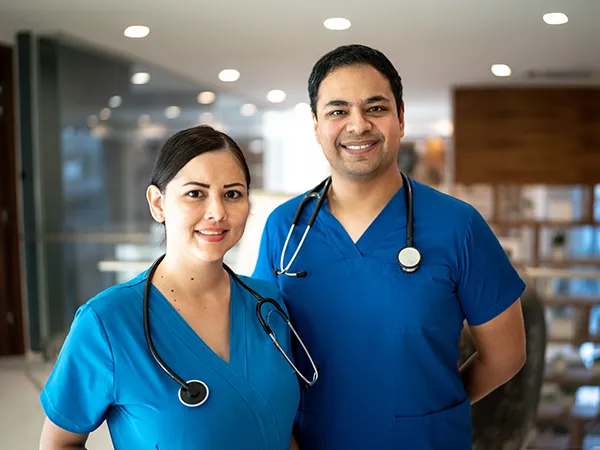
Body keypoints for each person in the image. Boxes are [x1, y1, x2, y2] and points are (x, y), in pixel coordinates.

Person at [253, 44, 527, 449]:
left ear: (400, 118)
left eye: (375, 108)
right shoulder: (285, 228)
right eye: (338, 110)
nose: (357, 125)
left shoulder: (459, 226)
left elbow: (506, 355)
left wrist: (437, 408)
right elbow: (264, 352)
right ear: (316, 126)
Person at [39, 125, 309, 450]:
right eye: (195, 193)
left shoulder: (266, 303)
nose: (217, 212)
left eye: (232, 194)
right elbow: (59, 443)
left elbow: (276, 426)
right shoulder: (108, 322)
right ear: (158, 203)